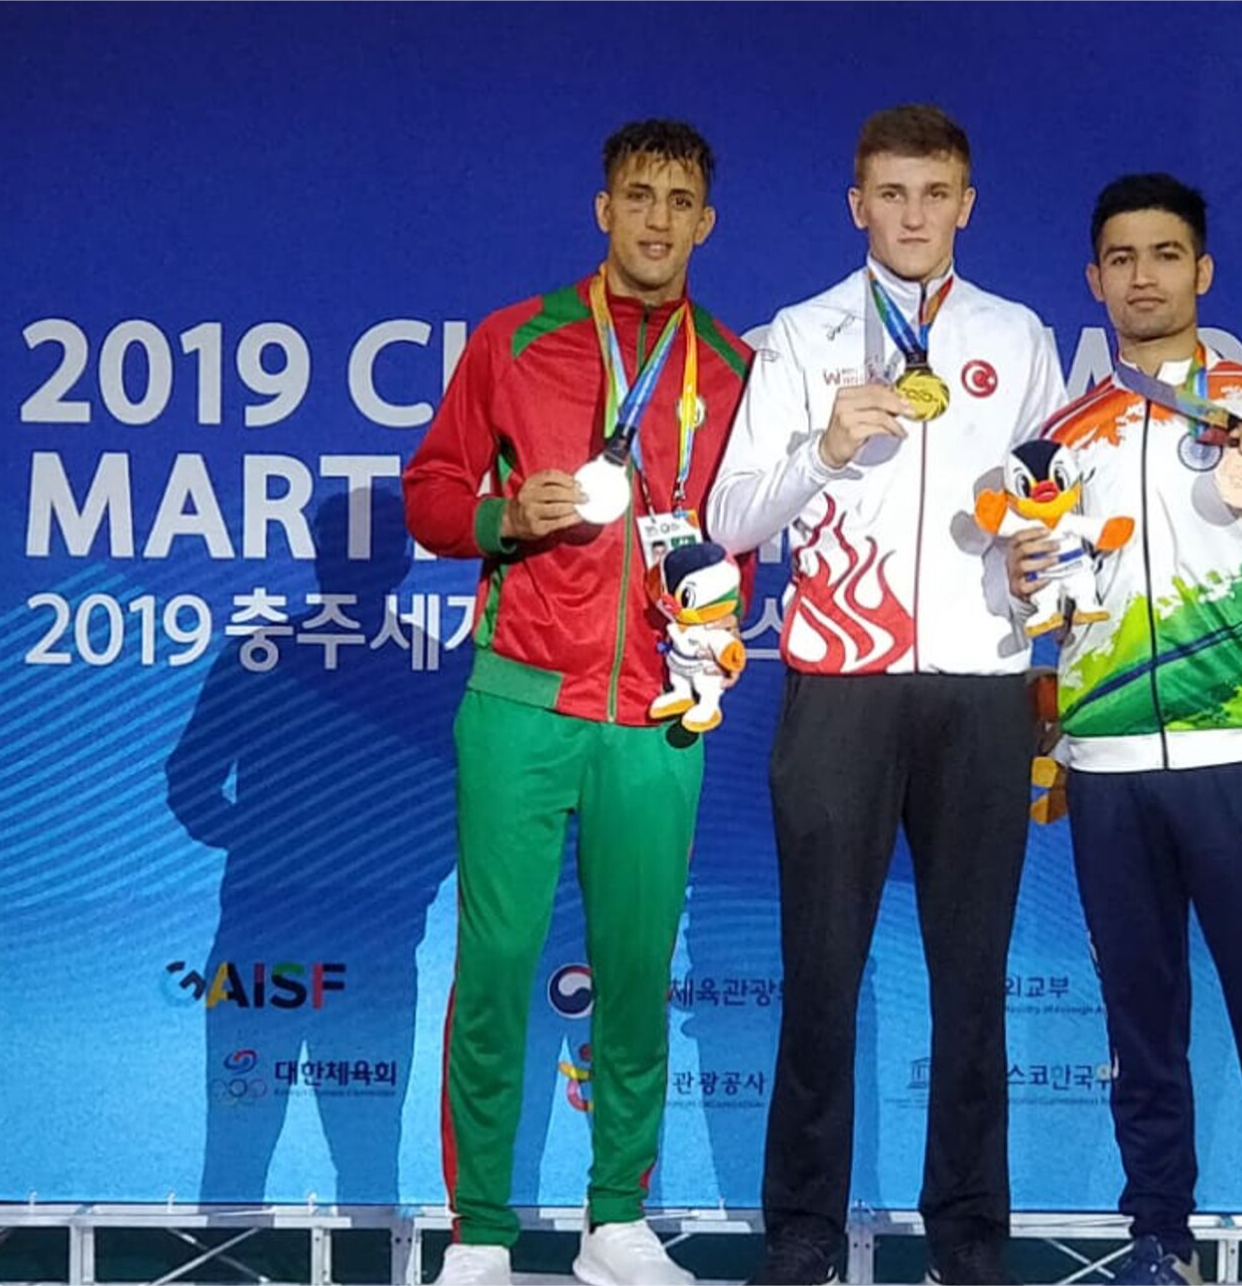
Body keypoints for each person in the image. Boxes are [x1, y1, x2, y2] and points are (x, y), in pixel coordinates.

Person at [706, 104, 1066, 1286]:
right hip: (839, 687)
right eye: (891, 194)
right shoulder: (799, 336)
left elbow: (1052, 508)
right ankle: (801, 1231)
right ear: (856, 204)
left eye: (935, 193)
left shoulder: (1016, 337)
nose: (913, 215)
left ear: (967, 204)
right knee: (819, 971)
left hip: (981, 687)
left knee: (971, 980)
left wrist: (1037, 560)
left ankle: (968, 1234)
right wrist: (819, 448)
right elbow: (729, 518)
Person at [1009, 172, 1242, 1286]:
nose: (1143, 278)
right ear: (1093, 279)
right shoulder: (1058, 438)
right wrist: (1019, 581)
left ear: (1202, 272)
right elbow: (1034, 607)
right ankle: (1157, 1239)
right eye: (1121, 258)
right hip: (1108, 768)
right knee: (1139, 1024)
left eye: (1165, 255)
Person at [403, 119, 753, 1286]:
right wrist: (503, 516)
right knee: (496, 961)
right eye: (637, 195)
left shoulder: (734, 367)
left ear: (705, 222)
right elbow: (430, 491)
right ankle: (480, 1231)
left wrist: (714, 627)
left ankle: (616, 1219)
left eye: (679, 200)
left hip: (657, 710)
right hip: (521, 695)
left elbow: (741, 533)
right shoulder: (516, 339)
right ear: (602, 209)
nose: (657, 218)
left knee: (637, 965)